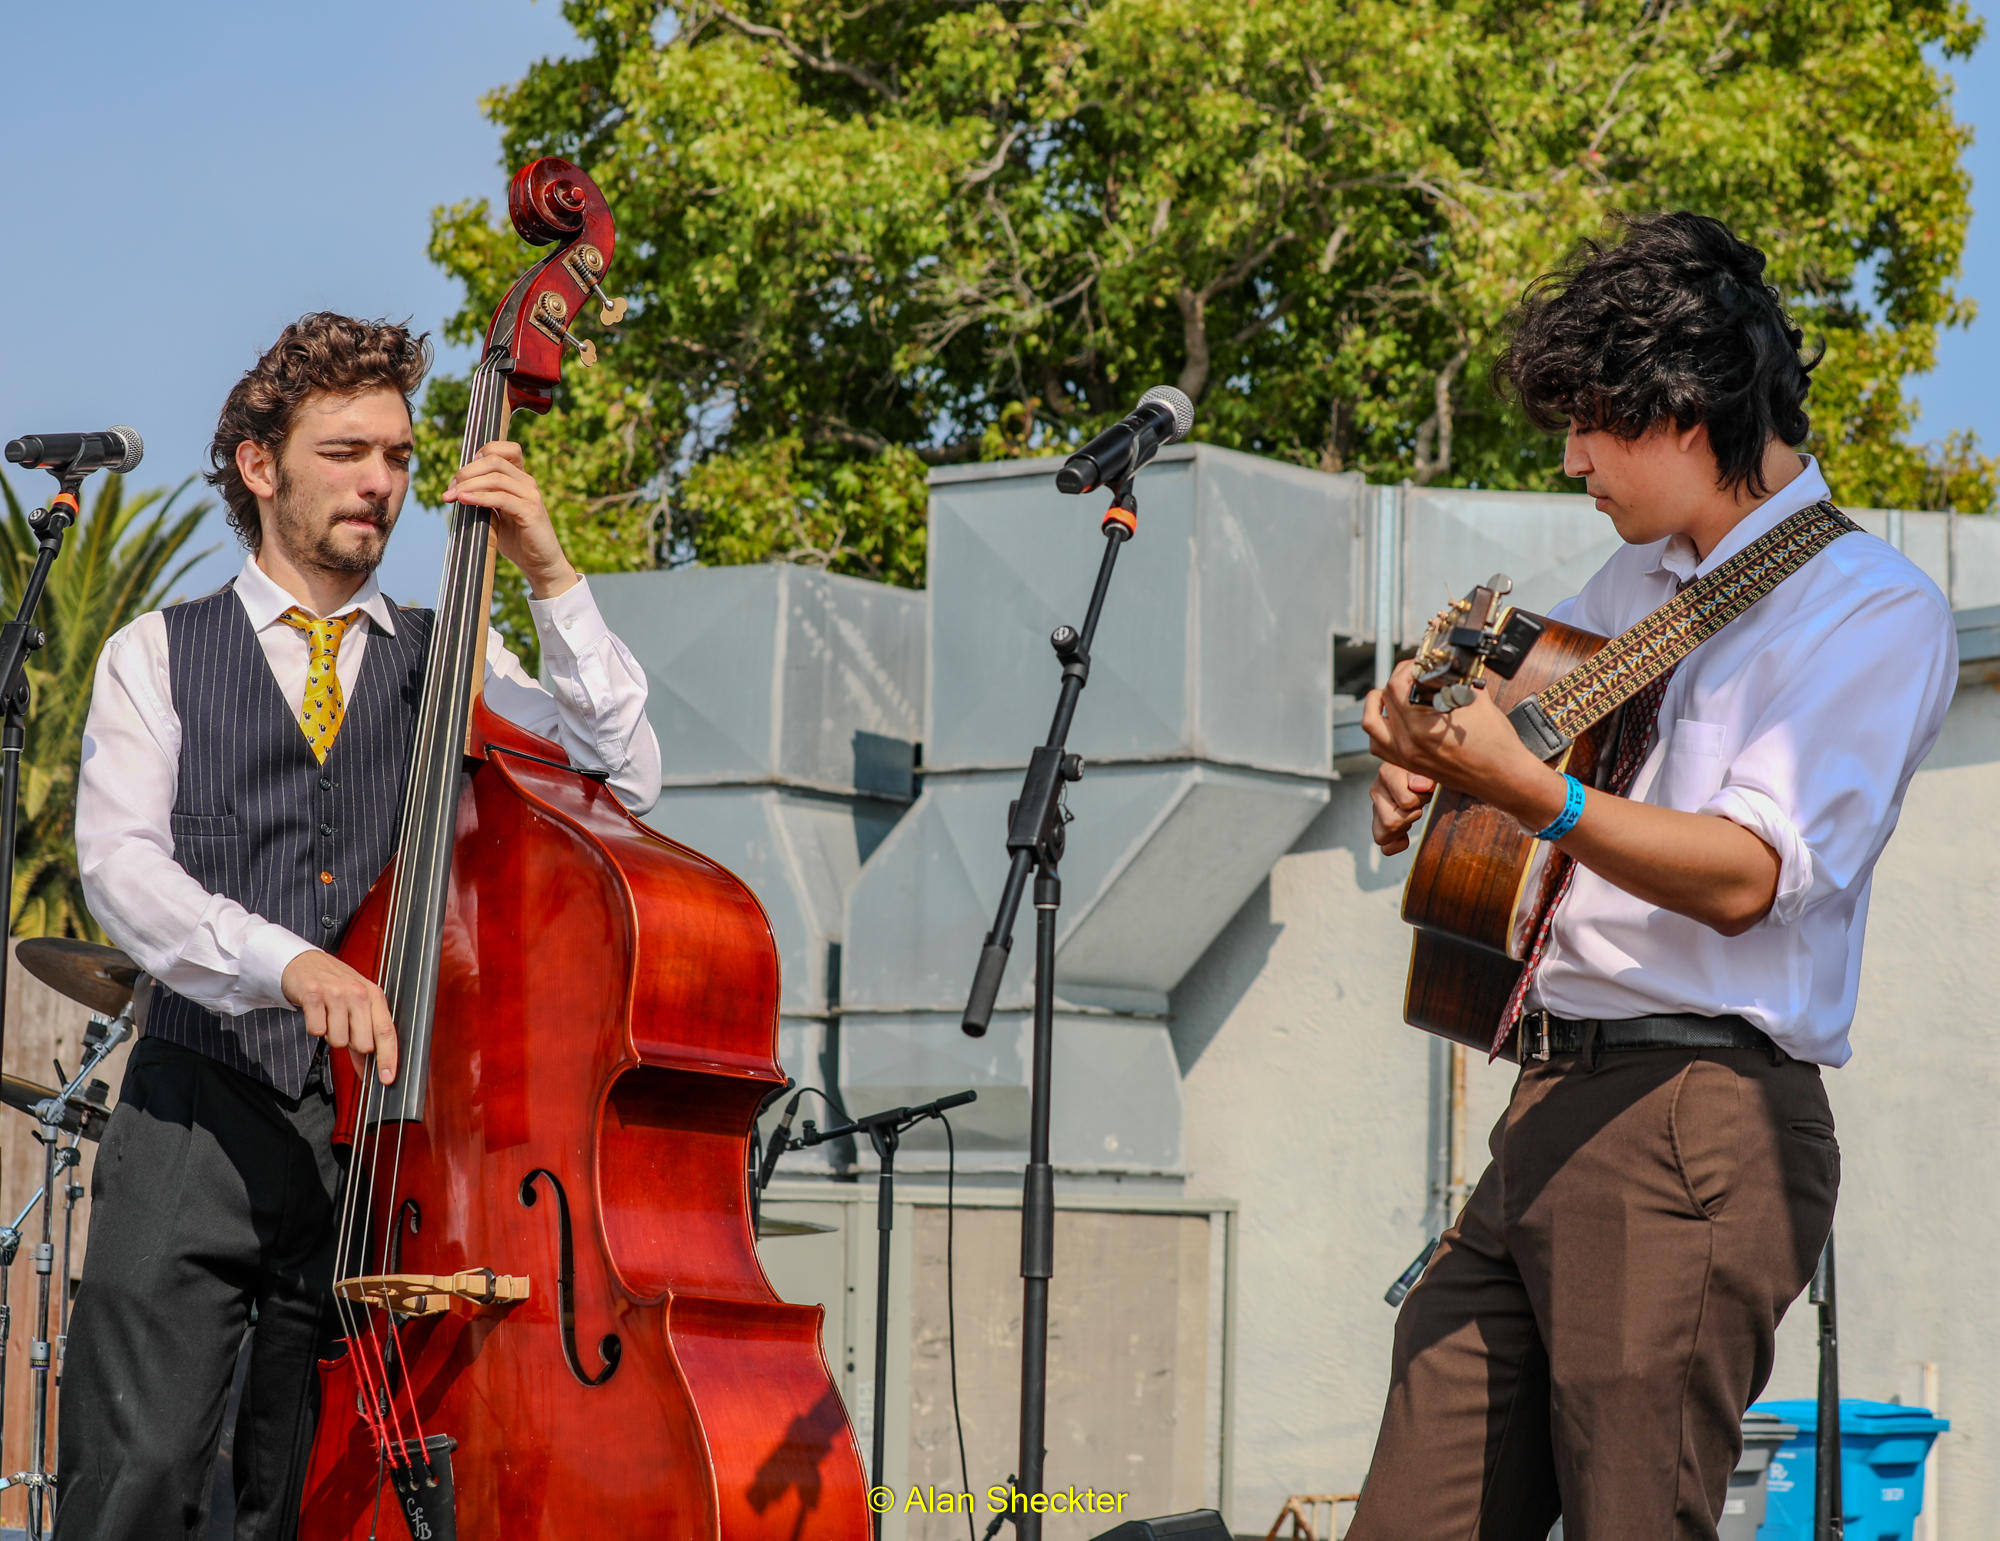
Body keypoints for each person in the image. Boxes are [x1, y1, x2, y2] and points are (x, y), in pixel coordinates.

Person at [1349, 214, 1957, 1539]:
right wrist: (1422, 756)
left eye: (1592, 424)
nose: (1570, 460)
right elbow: (1495, 708)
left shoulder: (1871, 607)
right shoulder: (1637, 585)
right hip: (1547, 1103)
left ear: (1687, 411)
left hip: (1696, 1113)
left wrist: (1537, 794)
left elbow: (1748, 873)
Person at [55, 313, 663, 1540]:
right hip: (199, 1117)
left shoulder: (452, 660)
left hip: (388, 1154)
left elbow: (625, 777)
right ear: (259, 464)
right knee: (140, 1476)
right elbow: (122, 867)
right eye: (344, 452)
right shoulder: (153, 656)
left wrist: (551, 571)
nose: (380, 482)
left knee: (315, 1493)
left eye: (395, 454)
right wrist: (284, 963)